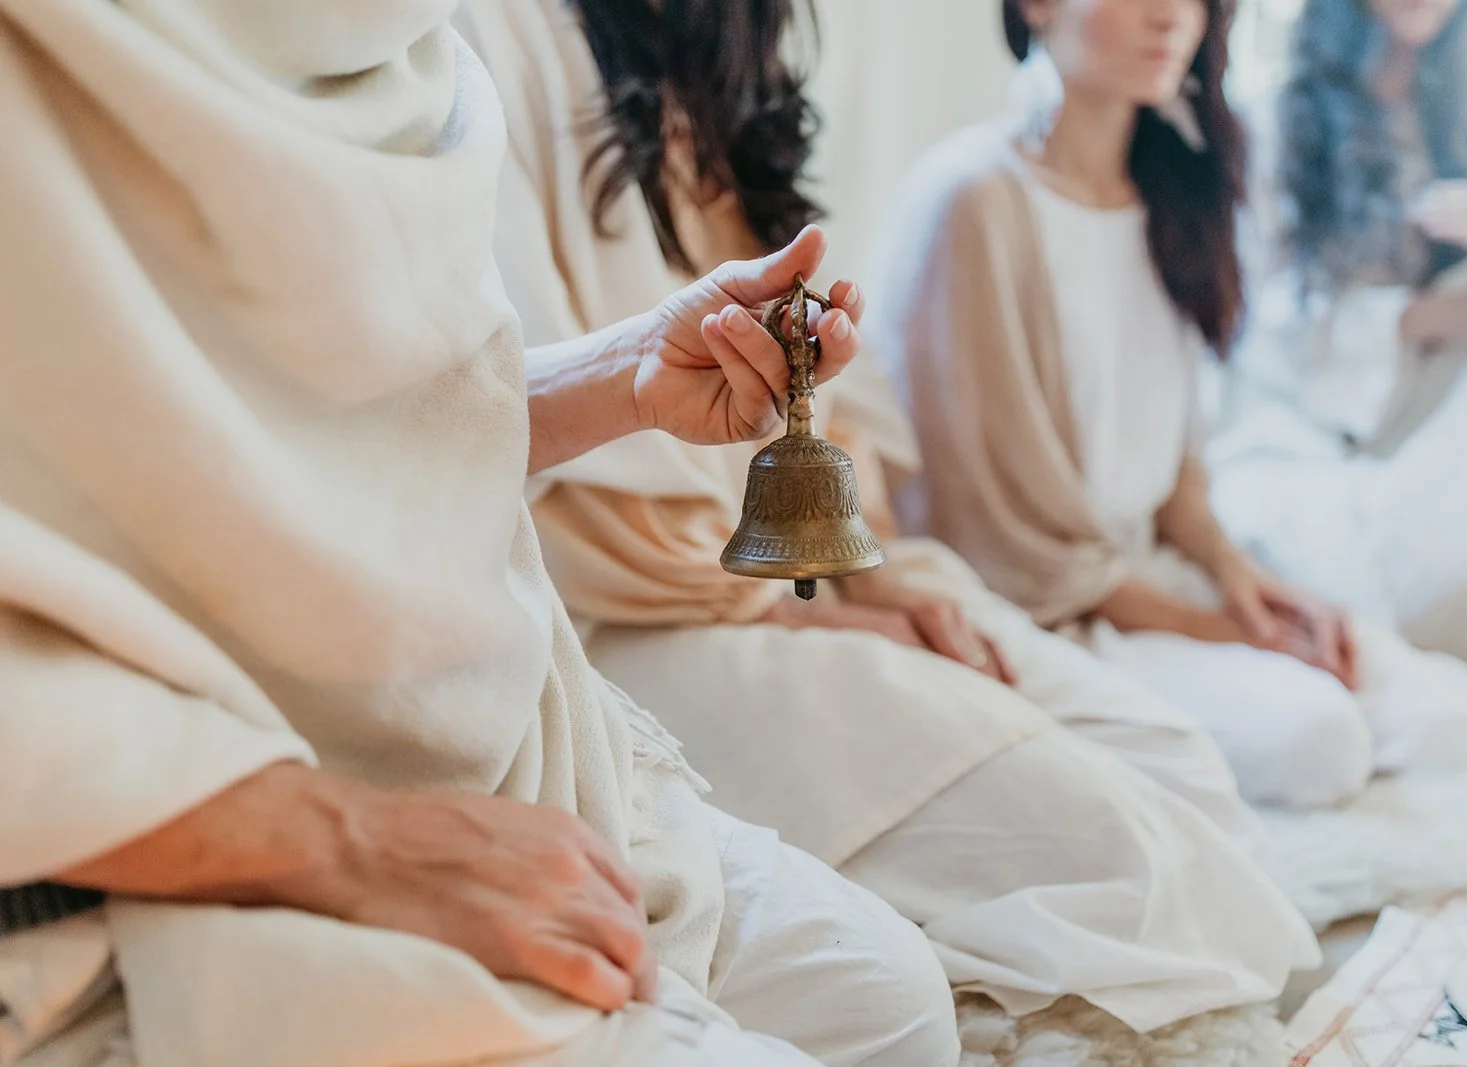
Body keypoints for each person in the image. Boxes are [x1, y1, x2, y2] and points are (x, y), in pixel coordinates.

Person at [0, 3, 963, 1065]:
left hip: (522, 733)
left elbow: (336, 426)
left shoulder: (415, 49)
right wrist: (349, 839)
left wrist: (629, 368)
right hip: (153, 815)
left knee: (892, 998)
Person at [459, 0, 1319, 1035]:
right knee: (1135, 869)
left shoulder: (724, 56)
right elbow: (503, 429)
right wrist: (802, 614)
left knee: (1184, 774)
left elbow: (832, 418)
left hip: (821, 579)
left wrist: (874, 574)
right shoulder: (497, 39)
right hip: (649, 617)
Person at [874, 0, 1467, 810]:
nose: (1172, 17)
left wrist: (1252, 586)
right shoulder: (973, 199)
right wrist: (1221, 634)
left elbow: (1176, 473)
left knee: (1448, 710)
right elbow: (1005, 542)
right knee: (1319, 739)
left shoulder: (1172, 190)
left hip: (1154, 574)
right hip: (1054, 613)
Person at [1206, 0, 1467, 707]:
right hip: (1326, 429)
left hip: (1447, 411)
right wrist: (1461, 314)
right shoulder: (1277, 123)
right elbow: (1273, 333)